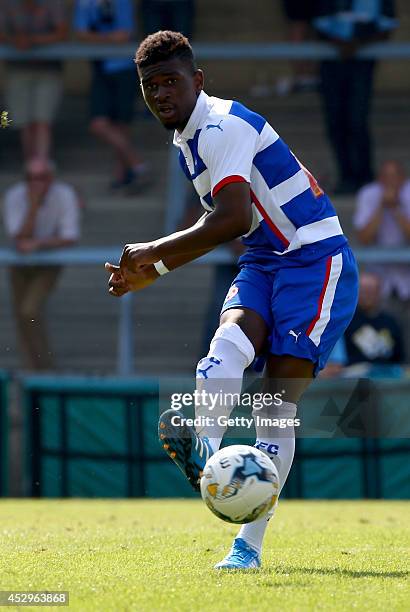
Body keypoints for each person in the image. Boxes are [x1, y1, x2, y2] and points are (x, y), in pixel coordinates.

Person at [105, 31, 358, 570]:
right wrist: (160, 268)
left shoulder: (220, 126)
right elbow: (226, 221)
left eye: (171, 82)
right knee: (224, 348)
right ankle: (207, 456)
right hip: (266, 259)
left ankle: (247, 545)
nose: (161, 95)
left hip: (316, 260)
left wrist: (152, 252)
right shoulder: (189, 137)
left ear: (198, 81)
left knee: (275, 407)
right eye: (151, 87)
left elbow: (232, 218)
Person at [3, 158, 81, 370]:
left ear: (51, 178)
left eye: (41, 178)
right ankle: (31, 371)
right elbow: (19, 239)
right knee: (22, 317)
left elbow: (69, 237)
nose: (36, 183)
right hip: (19, 265)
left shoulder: (64, 195)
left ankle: (46, 369)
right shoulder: (15, 196)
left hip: (50, 263)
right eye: (31, 178)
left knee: (29, 310)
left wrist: (37, 244)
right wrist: (34, 206)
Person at [312, 1, 397, 194]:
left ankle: (365, 176)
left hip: (362, 62)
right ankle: (346, 177)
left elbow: (387, 27)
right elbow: (317, 24)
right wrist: (340, 44)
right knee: (335, 122)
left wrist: (357, 44)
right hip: (333, 61)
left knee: (357, 120)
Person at [73, 0, 149, 191]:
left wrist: (96, 38)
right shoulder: (84, 3)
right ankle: (137, 164)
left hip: (125, 68)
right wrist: (108, 39)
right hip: (101, 69)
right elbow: (80, 35)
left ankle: (123, 175)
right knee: (99, 124)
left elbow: (124, 35)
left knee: (121, 125)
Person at [0, 0, 68, 161]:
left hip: (48, 70)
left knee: (42, 121)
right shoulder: (6, 4)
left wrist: (31, 40)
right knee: (21, 122)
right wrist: (15, 39)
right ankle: (30, 165)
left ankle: (41, 165)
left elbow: (62, 33)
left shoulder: (54, 3)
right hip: (17, 70)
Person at [354, 160, 410, 300]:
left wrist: (396, 209)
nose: (390, 182)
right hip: (377, 272)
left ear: (403, 178)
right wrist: (381, 207)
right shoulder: (368, 194)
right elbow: (363, 238)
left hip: (406, 271)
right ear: (379, 179)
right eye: (386, 177)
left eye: (394, 176)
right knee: (365, 287)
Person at [344, 271, 405, 367]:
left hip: (388, 375)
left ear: (379, 292)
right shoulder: (346, 321)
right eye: (363, 291)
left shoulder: (391, 322)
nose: (366, 295)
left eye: (371, 291)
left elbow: (400, 356)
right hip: (353, 376)